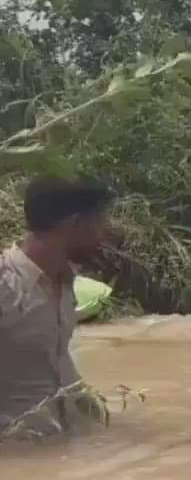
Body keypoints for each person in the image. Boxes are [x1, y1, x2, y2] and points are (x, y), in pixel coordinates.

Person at [0, 176, 116, 430]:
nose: (104, 233)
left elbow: (53, 361)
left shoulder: (64, 283)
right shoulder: (5, 288)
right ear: (74, 224)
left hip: (58, 444)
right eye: (99, 222)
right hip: (16, 449)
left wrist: (92, 409)